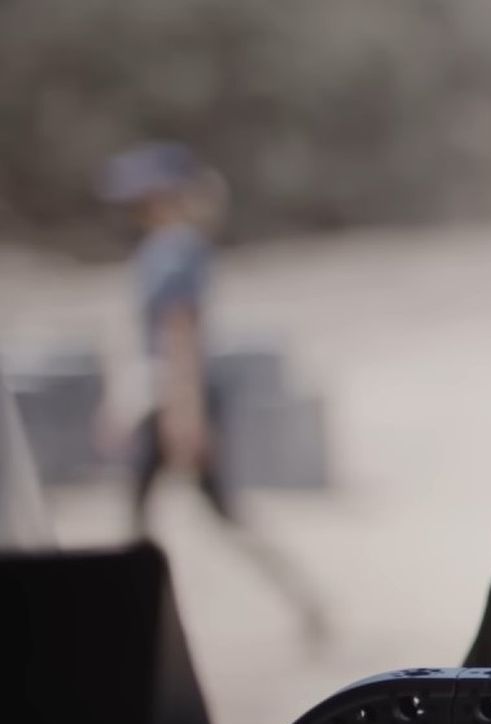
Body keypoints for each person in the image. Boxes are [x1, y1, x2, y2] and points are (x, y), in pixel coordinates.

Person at [97, 141, 327, 642]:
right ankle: (128, 619)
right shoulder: (164, 249)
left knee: (210, 516)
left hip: (177, 401)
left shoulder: (177, 251)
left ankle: (304, 604)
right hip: (165, 400)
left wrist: (185, 418)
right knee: (151, 518)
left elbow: (182, 335)